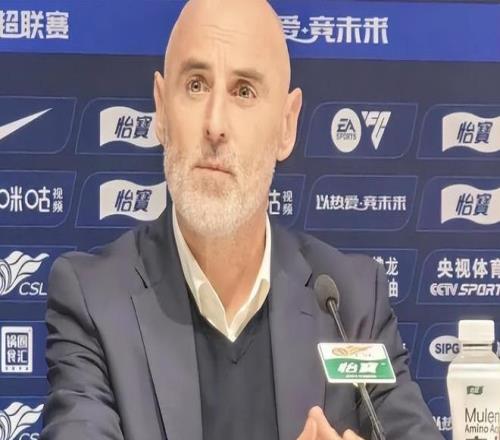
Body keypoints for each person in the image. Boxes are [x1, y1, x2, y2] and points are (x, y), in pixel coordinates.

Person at [41, 1, 443, 439]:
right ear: (161, 109)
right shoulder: (94, 302)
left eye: (244, 91)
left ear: (286, 126)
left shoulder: (351, 303)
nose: (215, 124)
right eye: (196, 85)